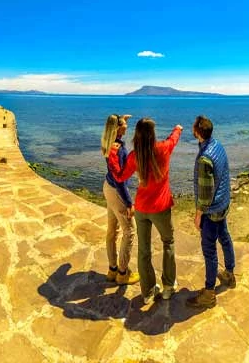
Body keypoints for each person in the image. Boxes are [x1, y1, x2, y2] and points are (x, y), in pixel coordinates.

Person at [108, 118, 184, 302]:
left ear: (137, 135)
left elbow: (119, 176)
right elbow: (173, 139)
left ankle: (148, 292)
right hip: (161, 207)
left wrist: (112, 153)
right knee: (168, 242)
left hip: (142, 209)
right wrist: (177, 128)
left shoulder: (135, 156)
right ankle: (168, 286)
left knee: (144, 251)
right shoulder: (163, 149)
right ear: (153, 134)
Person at [188, 115, 235, 308]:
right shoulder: (217, 146)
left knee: (209, 251)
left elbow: (205, 195)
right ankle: (230, 274)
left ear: (197, 132)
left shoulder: (205, 159)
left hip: (212, 210)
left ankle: (209, 293)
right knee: (224, 237)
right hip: (223, 203)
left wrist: (198, 215)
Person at [99, 115, 137, 285]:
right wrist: (129, 202)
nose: (127, 126)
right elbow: (119, 178)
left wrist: (120, 119)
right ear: (117, 128)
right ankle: (122, 273)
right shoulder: (118, 148)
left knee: (112, 231)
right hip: (117, 191)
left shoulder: (108, 142)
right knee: (130, 232)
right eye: (124, 124)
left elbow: (114, 176)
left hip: (108, 187)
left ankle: (112, 269)